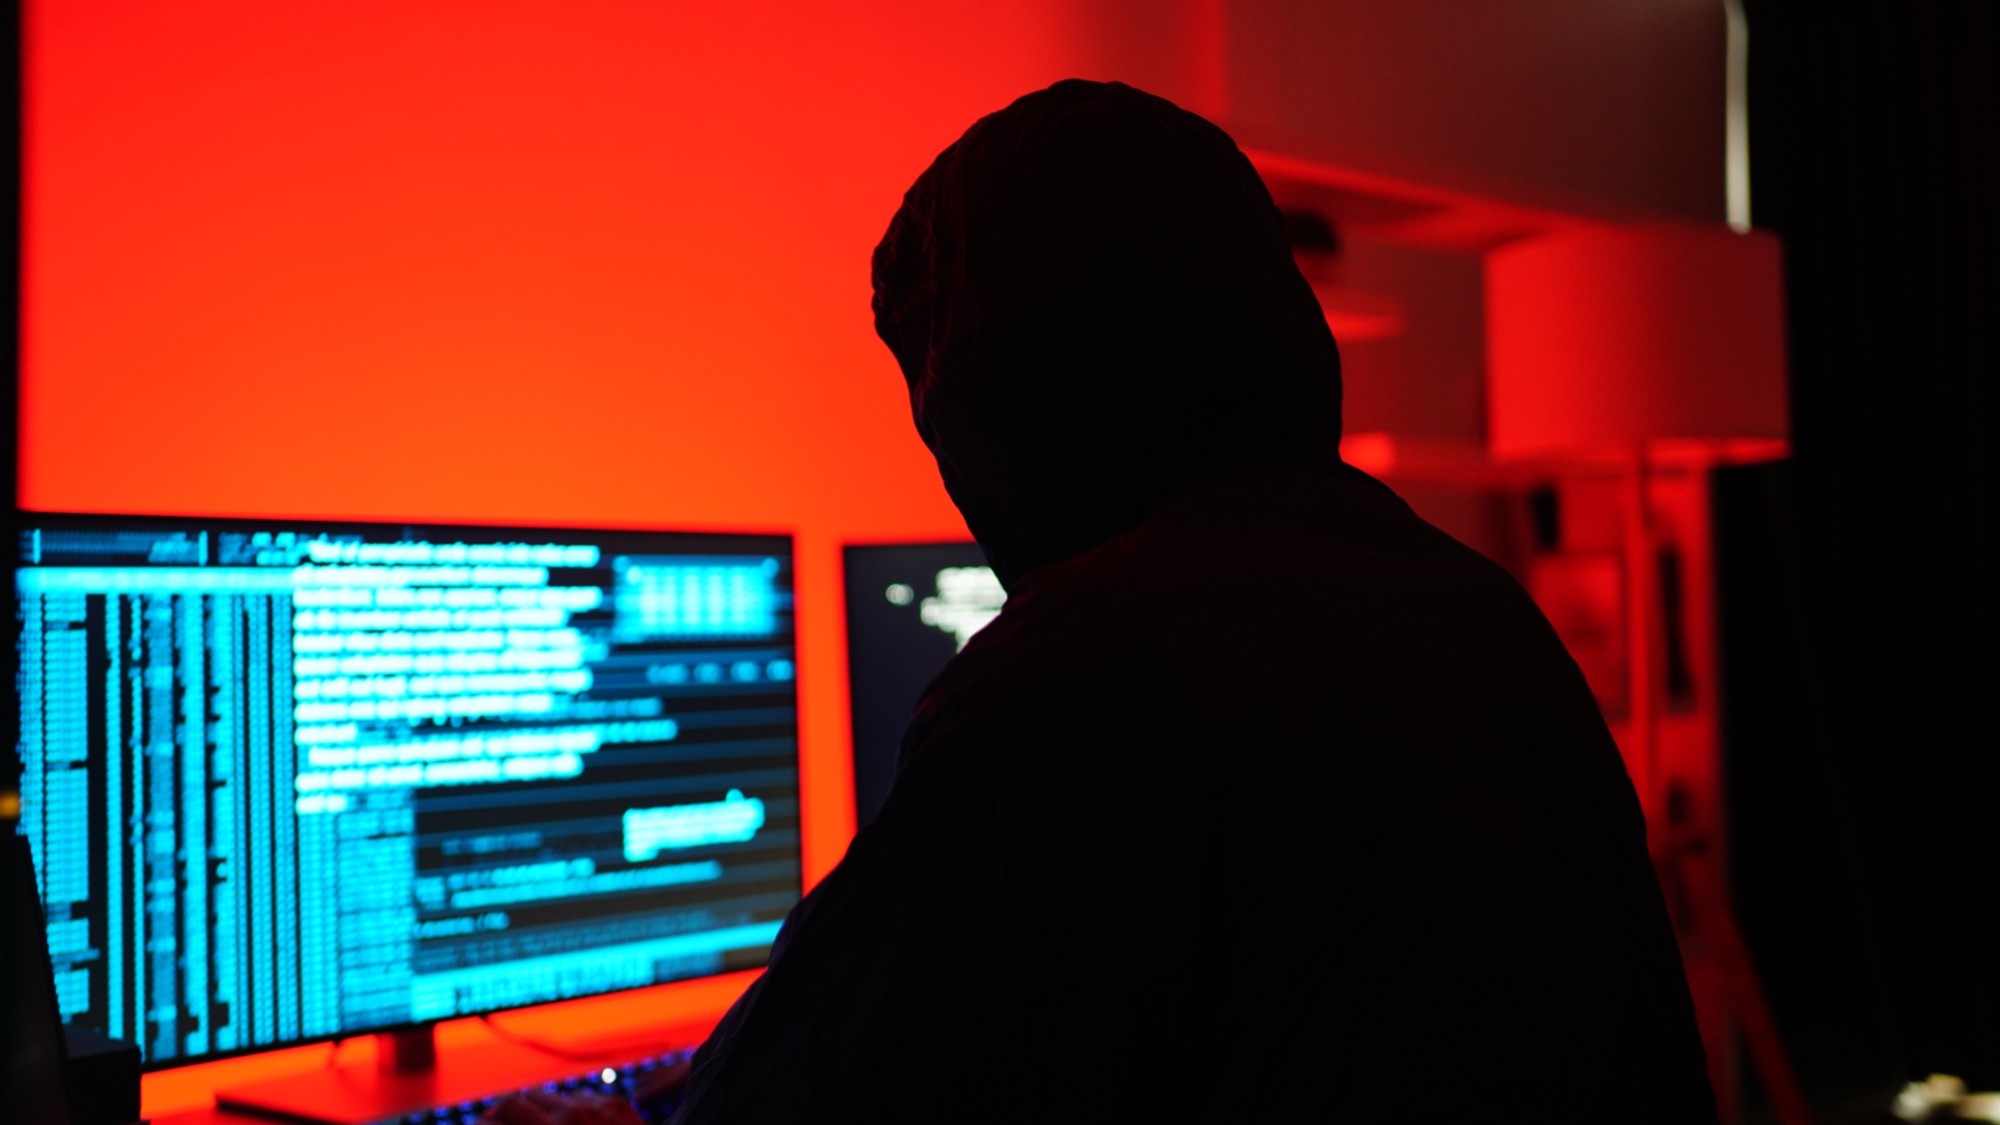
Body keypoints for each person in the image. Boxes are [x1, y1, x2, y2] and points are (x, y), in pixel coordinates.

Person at [498, 78, 1718, 1124]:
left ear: (1014, 405)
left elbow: (810, 1081)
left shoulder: (1089, 666)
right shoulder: (1475, 610)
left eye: (948, 422)